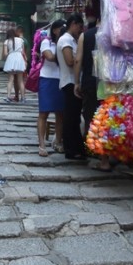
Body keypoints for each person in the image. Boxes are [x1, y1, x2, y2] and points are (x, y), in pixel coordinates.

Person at [75, 19, 110, 170]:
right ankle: (106, 156)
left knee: (91, 118)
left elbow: (78, 60)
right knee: (108, 119)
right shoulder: (113, 34)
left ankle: (97, 154)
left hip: (90, 82)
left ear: (95, 19)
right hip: (109, 84)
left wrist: (76, 82)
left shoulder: (85, 35)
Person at [57, 13, 86, 160]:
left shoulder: (71, 39)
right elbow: (70, 61)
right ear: (73, 24)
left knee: (73, 117)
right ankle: (70, 148)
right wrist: (81, 60)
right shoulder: (66, 39)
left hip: (71, 81)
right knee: (71, 117)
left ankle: (76, 148)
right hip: (69, 82)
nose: (80, 30)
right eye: (80, 27)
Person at [37, 20, 65, 157]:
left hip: (62, 79)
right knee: (44, 113)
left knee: (60, 113)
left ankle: (58, 141)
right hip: (47, 79)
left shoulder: (67, 42)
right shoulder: (46, 42)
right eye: (61, 28)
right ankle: (42, 144)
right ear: (54, 30)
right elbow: (49, 56)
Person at [2, 28, 26, 103]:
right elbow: (23, 52)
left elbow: (5, 54)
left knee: (10, 80)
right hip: (19, 58)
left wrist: (6, 56)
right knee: (20, 80)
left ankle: (8, 96)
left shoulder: (7, 41)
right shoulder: (21, 40)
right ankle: (23, 98)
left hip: (11, 58)